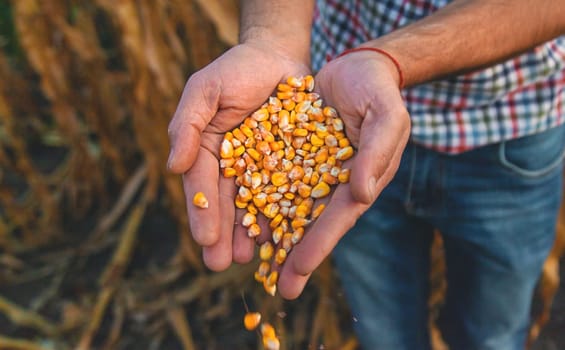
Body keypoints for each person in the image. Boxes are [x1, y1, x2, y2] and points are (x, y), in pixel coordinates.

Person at [167, 1, 565, 349]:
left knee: (491, 333)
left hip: (512, 128)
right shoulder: (307, 131)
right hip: (344, 116)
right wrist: (272, 38)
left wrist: (390, 60)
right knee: (382, 326)